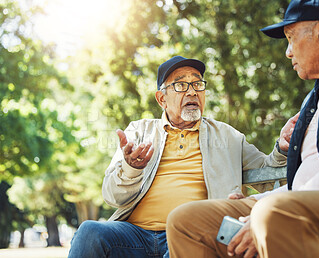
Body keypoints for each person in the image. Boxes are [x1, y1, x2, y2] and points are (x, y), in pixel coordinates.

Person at [166, 0, 319, 257]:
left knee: (272, 214)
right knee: (186, 221)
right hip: (299, 209)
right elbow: (303, 180)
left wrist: (271, 207)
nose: (288, 52)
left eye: (291, 38)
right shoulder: (317, 96)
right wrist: (255, 202)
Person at [68, 56, 293, 257]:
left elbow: (268, 174)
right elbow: (111, 197)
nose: (193, 91)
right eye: (181, 85)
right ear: (161, 99)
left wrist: (283, 148)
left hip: (190, 233)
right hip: (134, 235)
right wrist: (131, 168)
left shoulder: (228, 136)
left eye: (197, 84)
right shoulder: (139, 131)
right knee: (90, 232)